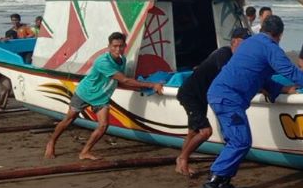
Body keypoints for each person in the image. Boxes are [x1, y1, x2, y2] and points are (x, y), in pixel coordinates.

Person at [200, 14, 303, 188]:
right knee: (241, 141)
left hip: (222, 94)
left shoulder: (251, 43)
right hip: (228, 98)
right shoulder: (270, 47)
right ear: (279, 35)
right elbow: (291, 72)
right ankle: (213, 184)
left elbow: (257, 73)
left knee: (235, 140)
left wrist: (281, 89)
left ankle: (224, 182)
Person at [44, 32, 165, 160]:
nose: (118, 49)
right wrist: (151, 85)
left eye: (121, 46)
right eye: (114, 46)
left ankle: (84, 152)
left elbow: (120, 81)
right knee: (68, 120)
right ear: (109, 46)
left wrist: (141, 86)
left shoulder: (122, 60)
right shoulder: (103, 62)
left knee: (103, 125)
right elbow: (124, 80)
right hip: (85, 93)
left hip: (102, 97)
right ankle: (51, 142)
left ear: (125, 46)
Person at [175, 27, 252, 177]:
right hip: (191, 94)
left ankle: (181, 161)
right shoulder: (224, 53)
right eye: (244, 44)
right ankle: (182, 159)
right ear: (234, 42)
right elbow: (230, 76)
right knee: (205, 132)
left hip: (202, 95)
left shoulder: (235, 58)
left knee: (193, 131)